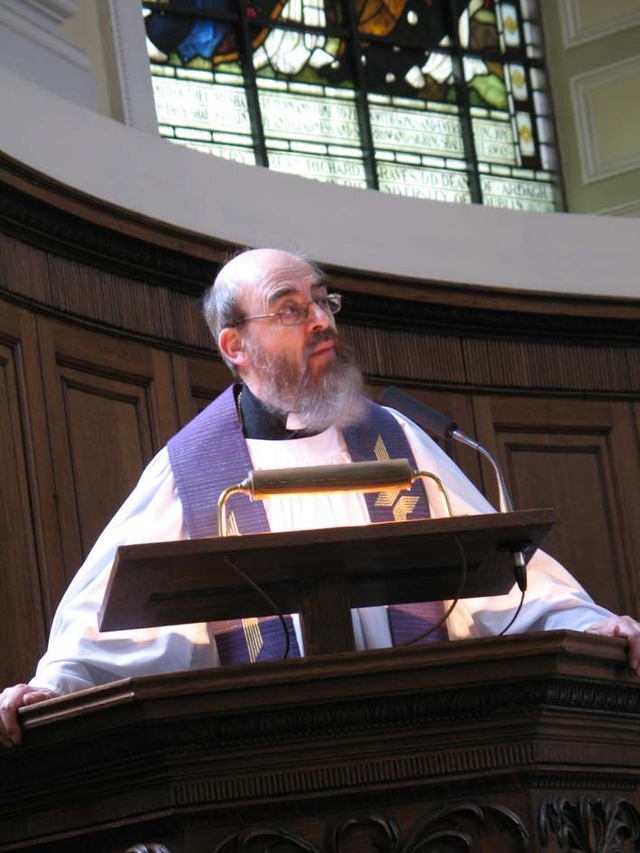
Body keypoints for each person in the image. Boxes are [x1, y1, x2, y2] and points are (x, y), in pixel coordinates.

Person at [1, 248, 638, 749]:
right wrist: (52, 686)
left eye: (323, 300)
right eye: (289, 308)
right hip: (266, 762)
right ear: (235, 347)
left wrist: (587, 624)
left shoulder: (396, 443)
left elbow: (507, 579)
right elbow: (108, 623)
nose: (322, 320)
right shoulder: (191, 473)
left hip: (424, 743)